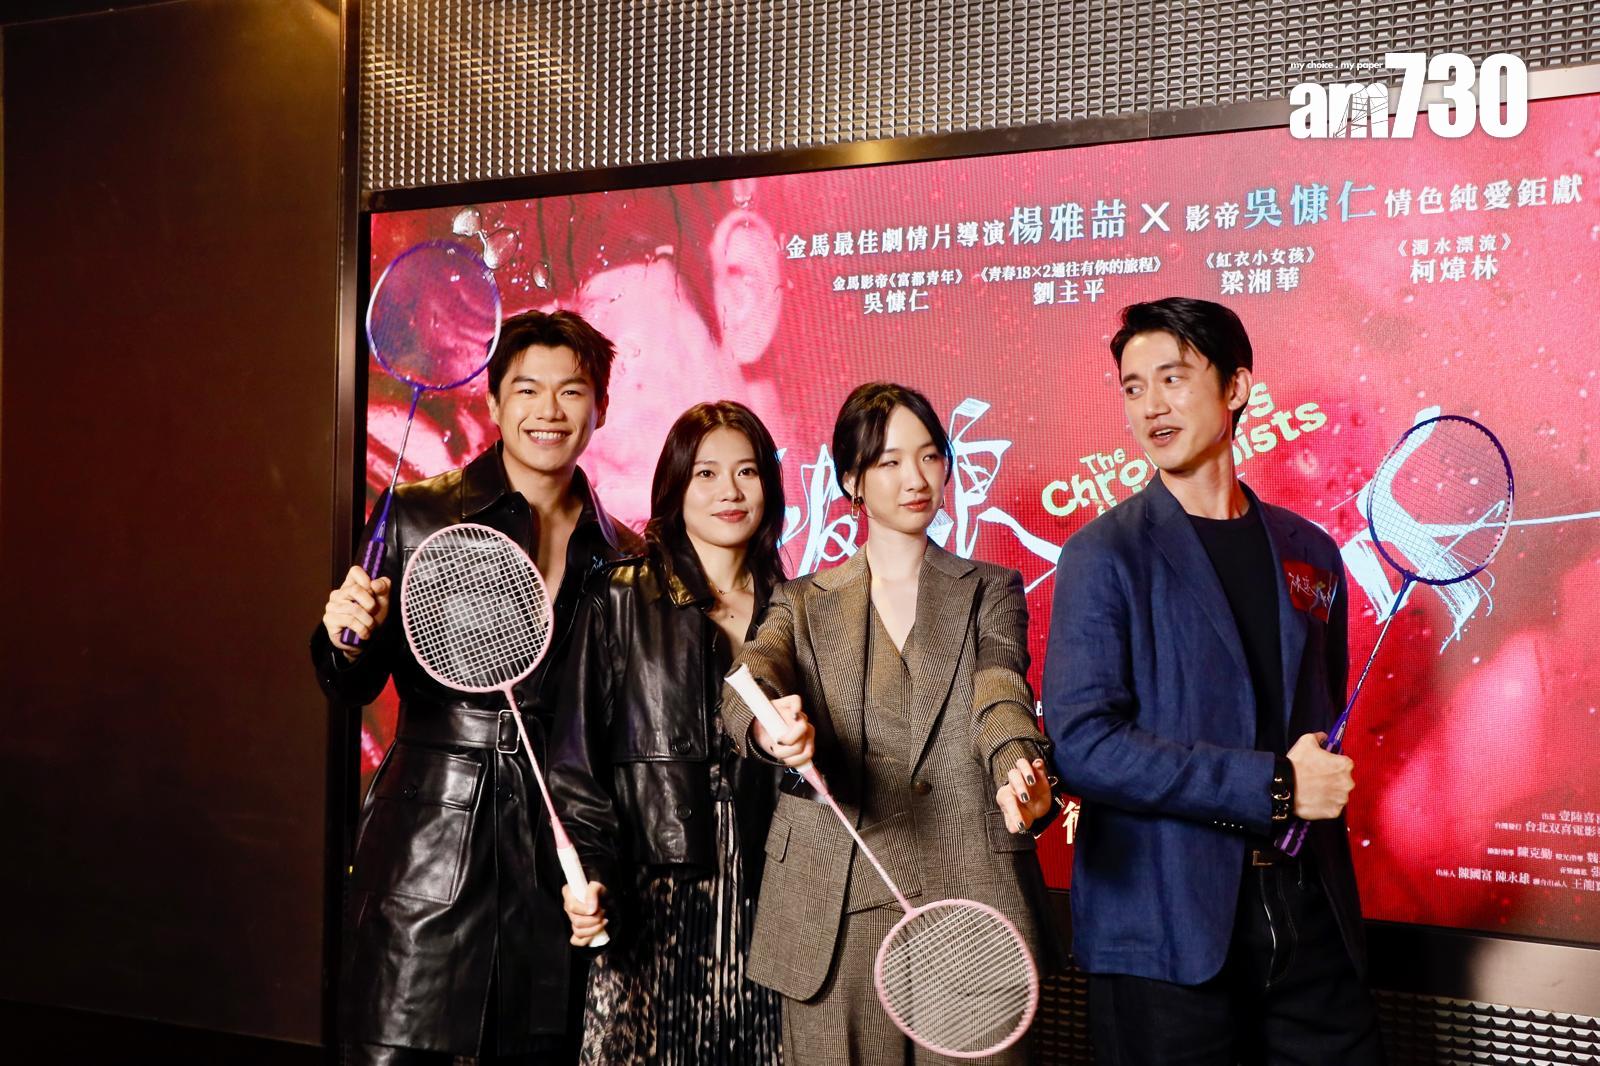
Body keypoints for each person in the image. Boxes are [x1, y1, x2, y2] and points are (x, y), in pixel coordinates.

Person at [1042, 297, 1383, 1064]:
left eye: (1173, 378)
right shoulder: (1103, 555)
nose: (1151, 407)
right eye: (1134, 388)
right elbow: (1085, 746)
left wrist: (1304, 784)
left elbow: (1318, 716)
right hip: (1166, 934)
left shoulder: (1310, 551)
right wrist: (1273, 787)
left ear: (1236, 387)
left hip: (1310, 921)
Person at [312, 309, 643, 1066]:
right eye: (527, 389)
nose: (548, 411)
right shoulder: (418, 514)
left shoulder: (621, 553)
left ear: (601, 408)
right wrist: (342, 636)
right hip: (428, 848)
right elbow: (351, 681)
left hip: (555, 860)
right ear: (494, 402)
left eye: (571, 391)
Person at [718, 381, 1058, 1065]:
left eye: (930, 457)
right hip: (831, 907)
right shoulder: (801, 600)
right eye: (890, 461)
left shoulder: (990, 589)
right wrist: (768, 725)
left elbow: (1000, 689)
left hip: (969, 892)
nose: (916, 478)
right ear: (851, 479)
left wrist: (1017, 766)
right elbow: (752, 678)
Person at [549, 401, 788, 1065]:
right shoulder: (620, 596)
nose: (729, 491)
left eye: (747, 471)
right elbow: (574, 768)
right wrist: (592, 876)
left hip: (770, 897)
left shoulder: (798, 606)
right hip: (652, 895)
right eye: (706, 473)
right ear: (675, 486)